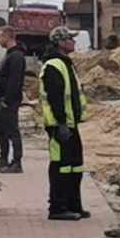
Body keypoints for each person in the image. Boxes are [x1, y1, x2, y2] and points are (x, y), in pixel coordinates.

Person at [40, 25, 90, 221]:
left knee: (75, 166)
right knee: (61, 166)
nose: (74, 42)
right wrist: (61, 124)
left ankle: (73, 204)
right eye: (70, 39)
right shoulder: (54, 65)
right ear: (61, 43)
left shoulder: (65, 63)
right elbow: (56, 98)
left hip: (69, 125)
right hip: (60, 126)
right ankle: (58, 208)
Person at [0, 26, 27, 173]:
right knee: (0, 130)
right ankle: (3, 159)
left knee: (12, 130)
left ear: (7, 37)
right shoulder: (9, 55)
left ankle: (17, 162)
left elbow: (14, 81)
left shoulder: (17, 56)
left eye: (0, 36)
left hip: (9, 101)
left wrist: (6, 99)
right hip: (1, 100)